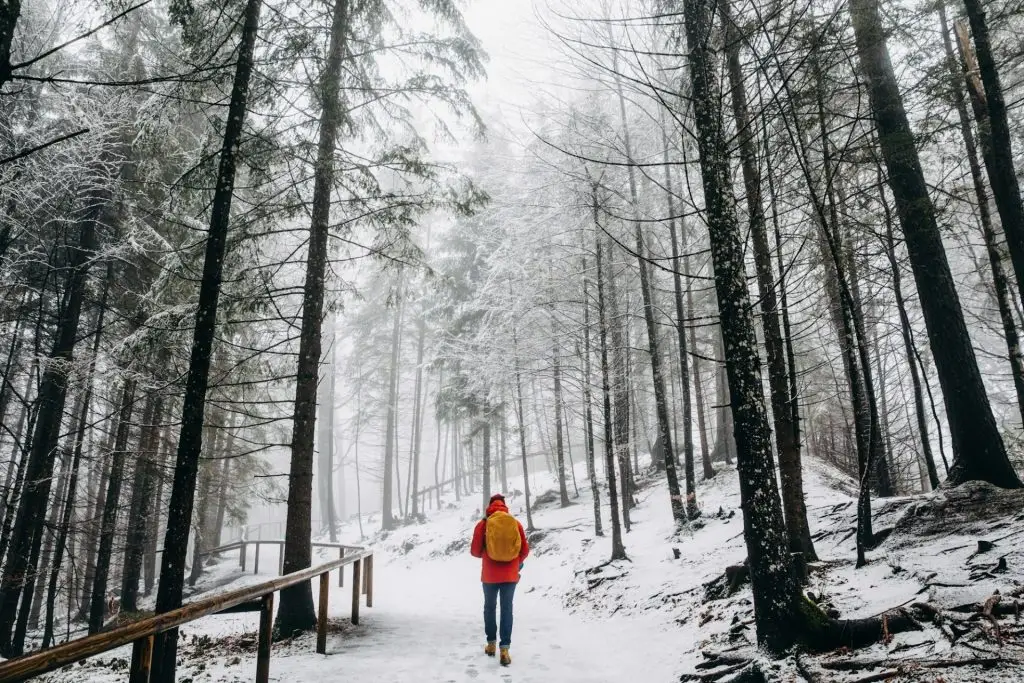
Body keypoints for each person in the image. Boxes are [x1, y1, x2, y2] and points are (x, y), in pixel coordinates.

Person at [470, 493, 529, 666]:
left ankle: (490, 644)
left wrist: (487, 554)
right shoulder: (515, 523)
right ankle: (505, 649)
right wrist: (515, 562)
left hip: (489, 574)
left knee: (489, 607)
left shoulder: (483, 524)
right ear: (504, 505)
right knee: (506, 608)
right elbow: (524, 550)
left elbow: (474, 551)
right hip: (510, 575)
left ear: (489, 506)